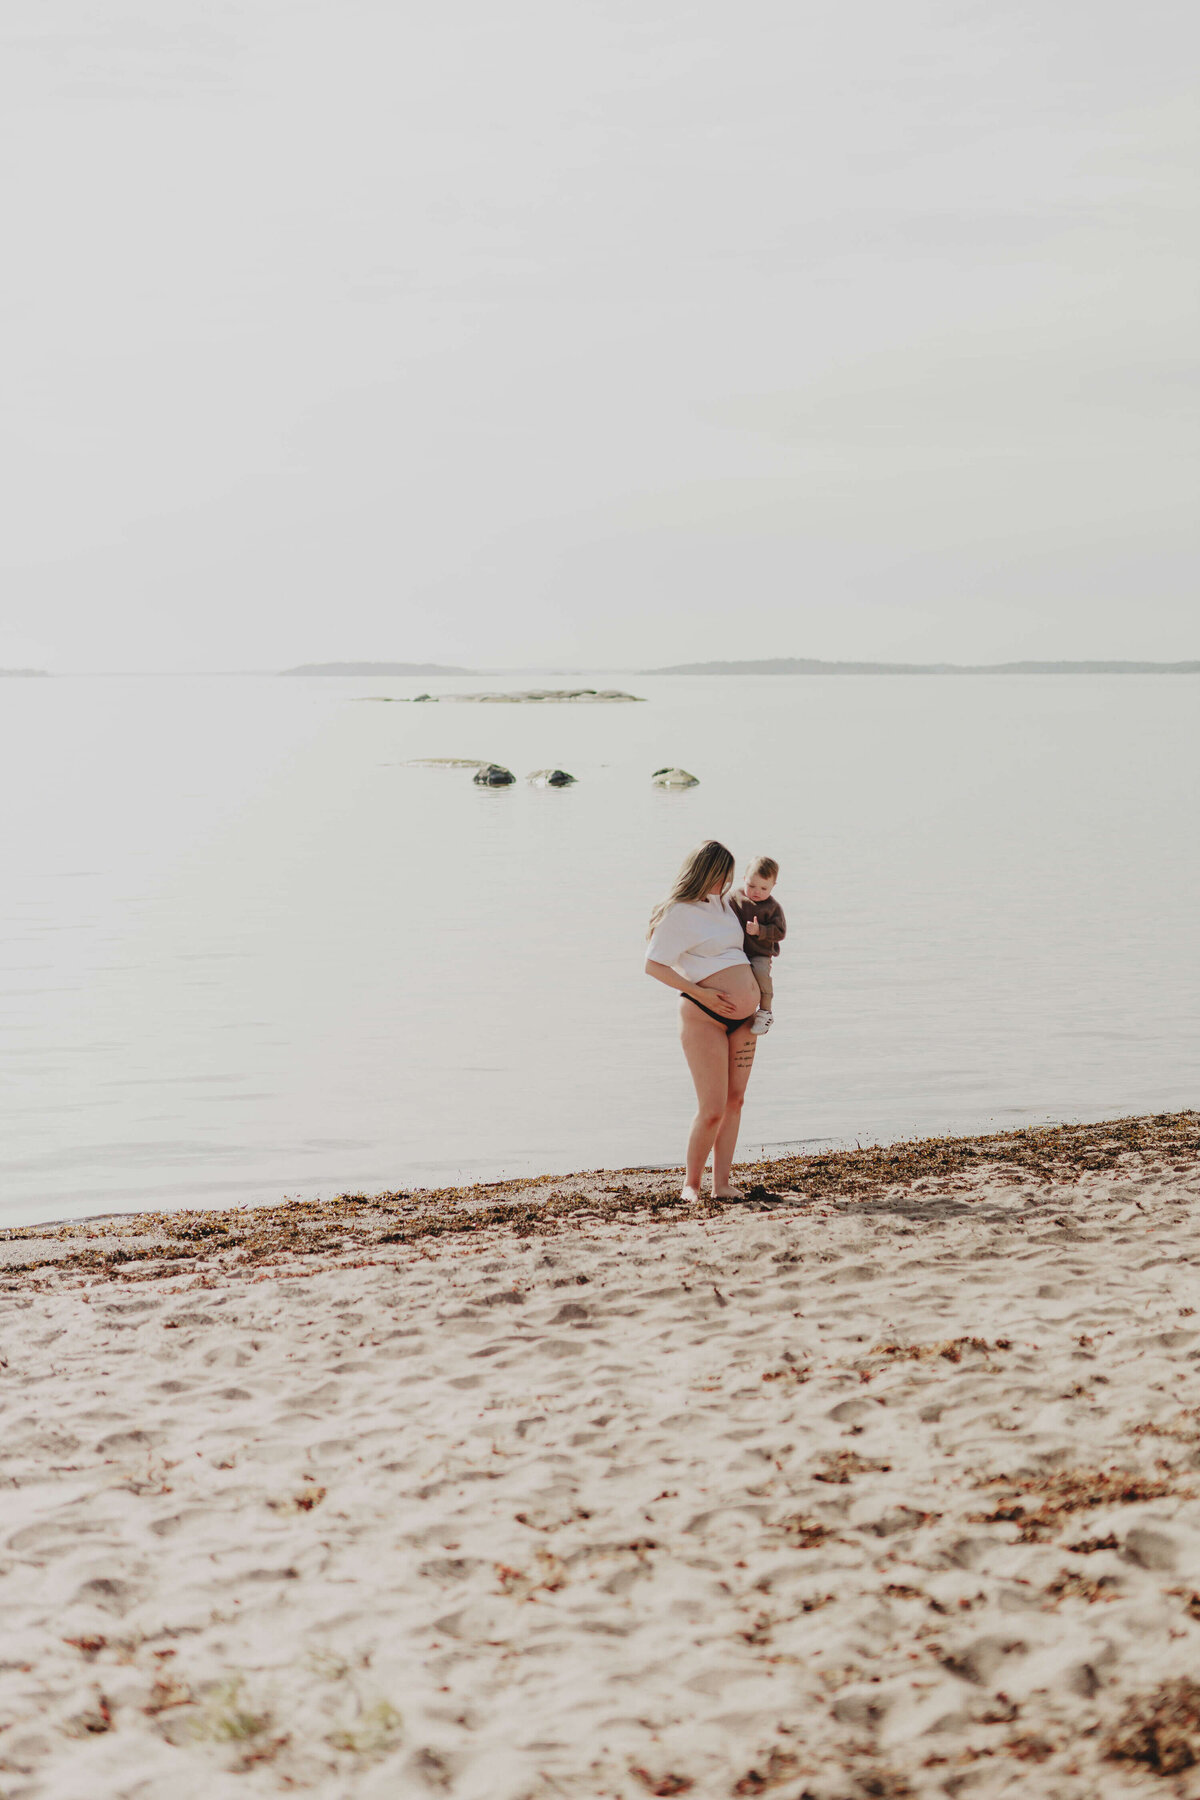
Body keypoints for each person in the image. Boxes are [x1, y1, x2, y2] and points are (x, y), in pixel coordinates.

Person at [644, 840, 761, 1202]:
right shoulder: (678, 912)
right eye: (721, 874)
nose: (726, 881)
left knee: (735, 1102)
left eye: (729, 875)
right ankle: (691, 1185)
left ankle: (721, 1184)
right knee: (712, 1108)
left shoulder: (724, 904)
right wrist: (702, 993)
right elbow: (654, 965)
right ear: (704, 871)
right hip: (704, 1016)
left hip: (744, 1020)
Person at [730, 855, 786, 1036]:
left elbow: (780, 932)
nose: (756, 892)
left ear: (773, 886)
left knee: (761, 975)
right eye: (752, 885)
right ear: (744, 879)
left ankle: (765, 1012)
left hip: (760, 952)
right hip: (738, 950)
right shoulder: (735, 897)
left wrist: (760, 930)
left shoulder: (772, 907)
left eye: (764, 888)